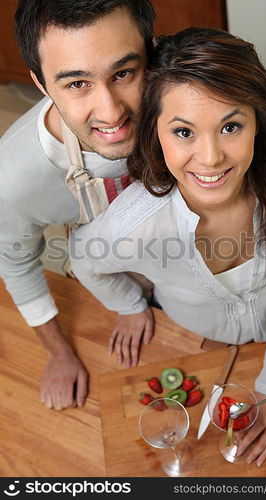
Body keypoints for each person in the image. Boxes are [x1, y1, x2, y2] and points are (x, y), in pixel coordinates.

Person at [70, 27, 266, 466]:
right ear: (156, 133)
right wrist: (128, 305)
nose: (210, 158)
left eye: (230, 126)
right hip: (187, 341)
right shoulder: (135, 224)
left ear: (258, 121)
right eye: (183, 132)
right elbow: (83, 260)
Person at [0, 0, 156, 411]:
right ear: (41, 84)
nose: (111, 112)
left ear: (152, 52)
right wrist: (58, 352)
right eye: (76, 84)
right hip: (112, 280)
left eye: (124, 73)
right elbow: (17, 265)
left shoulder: (189, 96)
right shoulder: (13, 176)